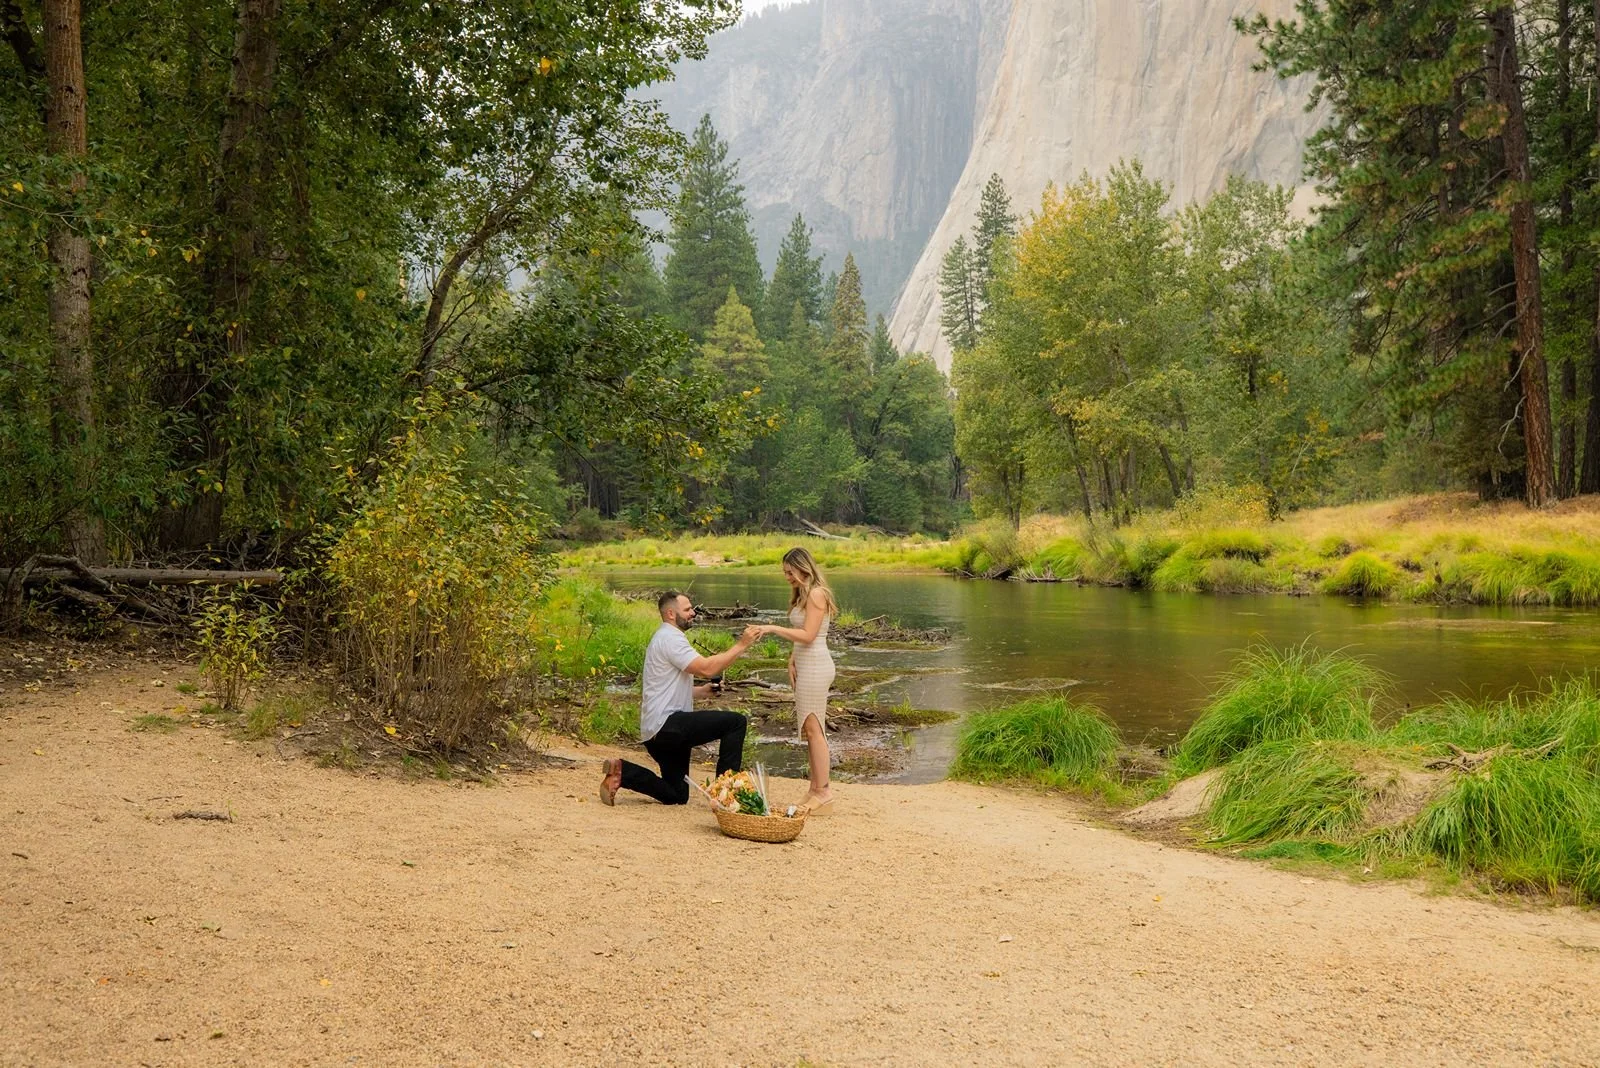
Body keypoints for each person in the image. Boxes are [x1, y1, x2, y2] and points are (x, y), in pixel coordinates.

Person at [599, 590, 760, 806]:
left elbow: (664, 689)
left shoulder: (664, 638)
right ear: (671, 614)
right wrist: (742, 644)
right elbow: (706, 667)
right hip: (667, 727)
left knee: (677, 795)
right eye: (687, 609)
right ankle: (726, 792)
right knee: (735, 723)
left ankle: (623, 771)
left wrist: (702, 691)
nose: (693, 612)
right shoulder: (671, 638)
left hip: (655, 732)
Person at [751, 547, 838, 812]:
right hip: (805, 662)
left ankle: (824, 792)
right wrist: (792, 657)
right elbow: (803, 636)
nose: (787, 577)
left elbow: (810, 635)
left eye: (790, 572)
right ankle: (814, 788)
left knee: (814, 729)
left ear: (803, 568)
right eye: (785, 572)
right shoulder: (803, 594)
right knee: (810, 728)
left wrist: (772, 627)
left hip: (816, 665)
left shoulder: (816, 594)